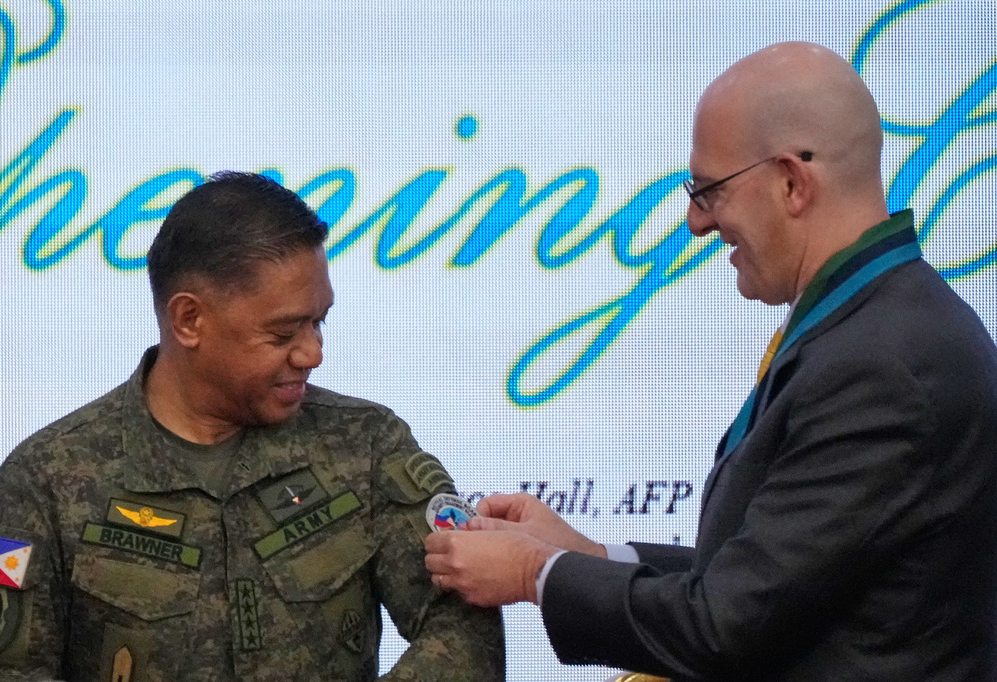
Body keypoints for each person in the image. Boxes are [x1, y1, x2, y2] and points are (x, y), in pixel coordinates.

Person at [425, 41, 997, 680]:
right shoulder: (874, 325)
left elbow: (727, 626)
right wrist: (585, 553)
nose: (696, 222)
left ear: (791, 181)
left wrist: (536, 574)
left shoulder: (884, 366)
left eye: (710, 190)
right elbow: (771, 579)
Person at [0, 172, 504, 680]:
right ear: (189, 320)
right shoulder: (40, 481)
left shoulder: (368, 445)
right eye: (282, 333)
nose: (313, 353)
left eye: (319, 321)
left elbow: (464, 625)